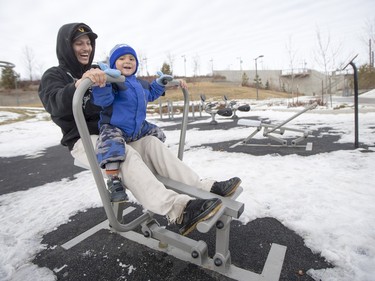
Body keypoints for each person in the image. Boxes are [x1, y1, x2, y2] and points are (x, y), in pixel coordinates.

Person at [38, 22, 241, 236]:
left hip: (117, 132)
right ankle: (178, 209)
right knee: (126, 154)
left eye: (88, 43)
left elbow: (134, 85)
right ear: (65, 46)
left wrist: (164, 84)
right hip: (85, 138)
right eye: (79, 43)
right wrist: (78, 85)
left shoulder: (99, 70)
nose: (86, 48)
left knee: (152, 143)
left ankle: (203, 187)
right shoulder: (55, 75)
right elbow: (54, 103)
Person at [91, 44, 176, 203]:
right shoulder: (114, 81)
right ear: (113, 64)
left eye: (131, 58)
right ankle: (114, 180)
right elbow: (103, 100)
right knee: (110, 144)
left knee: (158, 133)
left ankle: (152, 161)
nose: (127, 61)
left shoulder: (141, 83)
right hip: (115, 126)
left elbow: (150, 94)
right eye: (121, 58)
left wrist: (160, 83)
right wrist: (103, 83)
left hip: (138, 127)